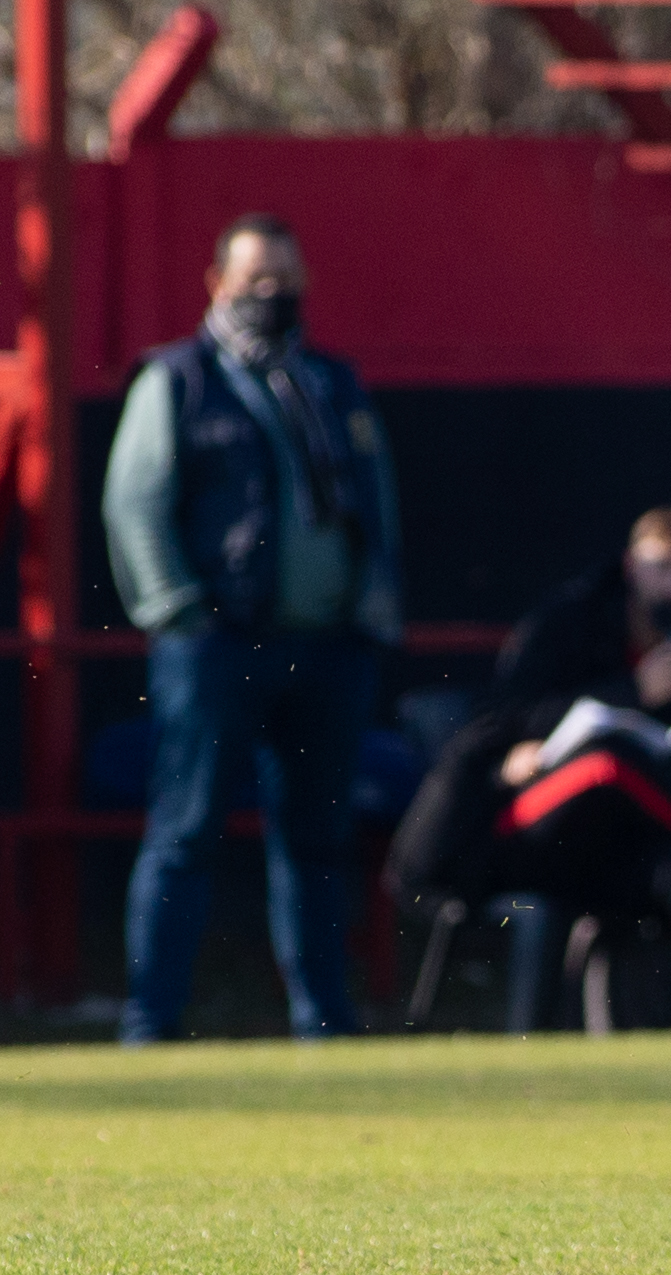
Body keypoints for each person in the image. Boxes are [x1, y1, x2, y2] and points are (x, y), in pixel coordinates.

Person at [104, 213, 402, 1043]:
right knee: (186, 832)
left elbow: (374, 499)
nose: (272, 297)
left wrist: (371, 604)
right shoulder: (179, 379)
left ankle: (323, 1020)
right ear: (216, 283)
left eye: (285, 282)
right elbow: (135, 503)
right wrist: (181, 614)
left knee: (316, 840)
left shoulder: (329, 381)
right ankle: (151, 1020)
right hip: (216, 646)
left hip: (325, 645)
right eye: (254, 281)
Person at [385, 505, 671, 1029]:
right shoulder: (569, 622)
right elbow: (500, 720)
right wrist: (632, 693)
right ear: (631, 565)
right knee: (608, 765)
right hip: (523, 832)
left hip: (619, 843)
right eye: (662, 566)